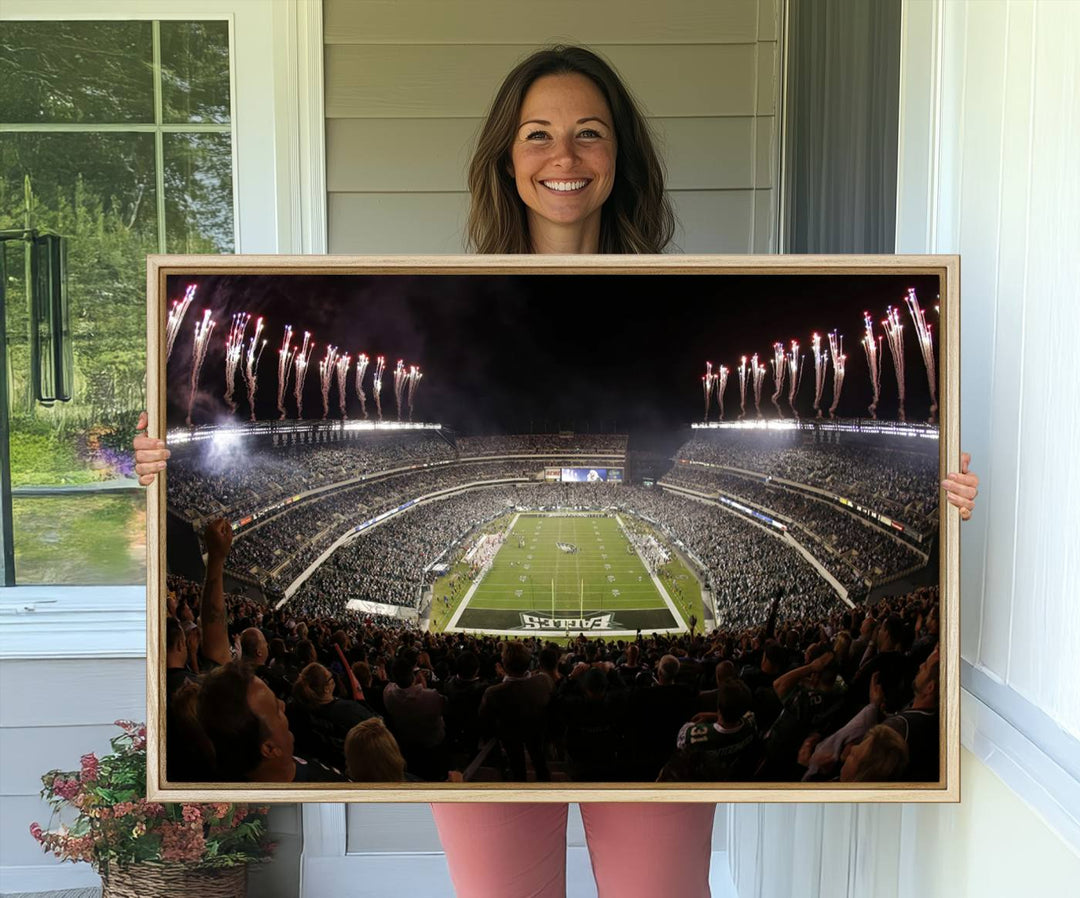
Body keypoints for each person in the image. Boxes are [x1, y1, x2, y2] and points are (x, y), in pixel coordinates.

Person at [135, 42, 981, 898]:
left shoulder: (673, 290)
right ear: (506, 157)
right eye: (537, 134)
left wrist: (938, 494)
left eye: (590, 133)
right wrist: (160, 461)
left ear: (621, 157)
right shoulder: (454, 292)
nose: (564, 156)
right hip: (500, 765)